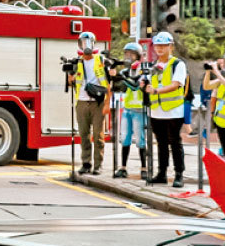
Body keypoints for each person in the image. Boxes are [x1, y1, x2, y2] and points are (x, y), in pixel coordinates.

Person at [145, 32, 188, 187]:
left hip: (173, 110)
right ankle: (161, 173)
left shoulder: (178, 64)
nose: (160, 49)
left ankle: (179, 174)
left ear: (171, 47)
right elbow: (150, 84)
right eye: (158, 46)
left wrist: (156, 91)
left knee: (175, 143)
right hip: (156, 110)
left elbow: (176, 84)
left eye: (164, 46)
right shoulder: (153, 66)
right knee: (161, 143)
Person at [67, 31, 109, 176]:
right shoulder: (76, 62)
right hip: (82, 101)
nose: (85, 45)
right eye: (82, 42)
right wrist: (70, 78)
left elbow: (109, 82)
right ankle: (86, 163)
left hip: (98, 102)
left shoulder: (101, 60)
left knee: (98, 135)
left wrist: (107, 103)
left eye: (88, 42)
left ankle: (98, 164)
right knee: (83, 134)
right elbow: (71, 82)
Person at [111, 42, 148, 179]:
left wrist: (123, 77)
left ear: (138, 56)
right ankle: (123, 167)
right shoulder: (125, 71)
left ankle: (144, 168)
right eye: (126, 54)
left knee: (140, 140)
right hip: (127, 108)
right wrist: (114, 74)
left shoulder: (142, 70)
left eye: (131, 54)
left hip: (139, 109)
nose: (128, 57)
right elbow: (117, 85)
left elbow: (134, 86)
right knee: (125, 139)